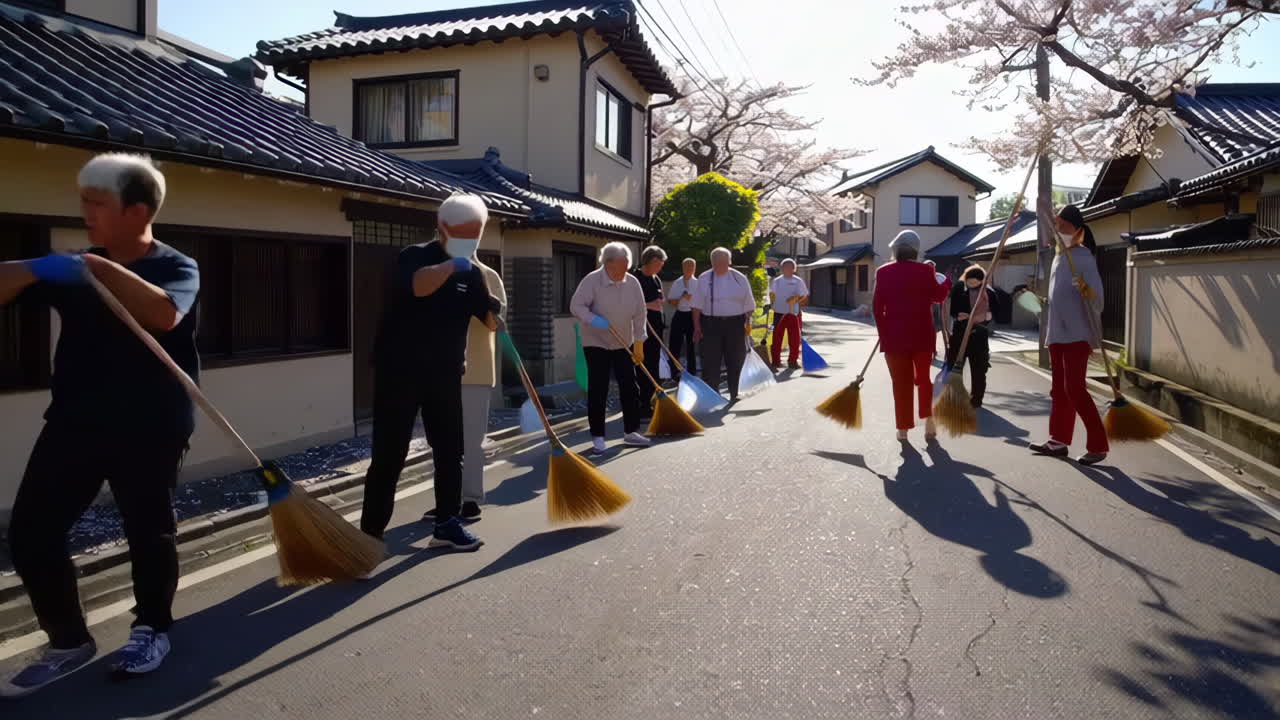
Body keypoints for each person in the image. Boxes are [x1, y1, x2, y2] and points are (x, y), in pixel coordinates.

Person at [0, 154, 199, 695]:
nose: (85, 212)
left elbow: (163, 315)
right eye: (83, 201)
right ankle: (68, 639)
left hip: (151, 423)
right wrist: (39, 267)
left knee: (148, 530)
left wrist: (98, 269)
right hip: (75, 421)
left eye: (97, 203)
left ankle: (152, 628)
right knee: (31, 533)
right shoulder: (74, 265)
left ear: (137, 212)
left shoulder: (177, 267)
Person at [361, 193, 500, 554]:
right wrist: (452, 267)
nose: (470, 242)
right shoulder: (415, 256)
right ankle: (369, 534)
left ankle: (447, 524)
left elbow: (487, 319)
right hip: (399, 371)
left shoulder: (473, 273)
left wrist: (492, 310)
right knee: (390, 453)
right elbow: (419, 286)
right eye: (464, 234)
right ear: (442, 229)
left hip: (446, 373)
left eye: (476, 234)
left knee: (450, 450)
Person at [422, 251, 506, 524]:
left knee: (470, 441)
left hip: (477, 370)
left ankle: (470, 499)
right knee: (442, 443)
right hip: (440, 370)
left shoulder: (488, 276)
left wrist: (487, 307)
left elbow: (496, 323)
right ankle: (447, 501)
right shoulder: (435, 273)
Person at [1030, 205, 1108, 465]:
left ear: (1077, 229)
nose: (1058, 230)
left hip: (1077, 333)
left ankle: (1098, 445)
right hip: (1057, 333)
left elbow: (1098, 299)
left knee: (1075, 389)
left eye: (1062, 226)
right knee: (1059, 390)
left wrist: (1088, 291)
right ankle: (1058, 440)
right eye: (1057, 226)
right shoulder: (1058, 256)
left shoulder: (1083, 256)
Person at [570, 241, 650, 454]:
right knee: (599, 388)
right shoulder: (592, 281)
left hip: (624, 341)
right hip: (596, 341)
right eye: (619, 267)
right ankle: (598, 436)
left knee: (630, 386)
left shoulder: (632, 283)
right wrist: (592, 319)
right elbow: (576, 306)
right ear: (608, 264)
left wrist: (640, 341)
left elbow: (640, 313)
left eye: (626, 266)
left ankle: (631, 431)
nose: (623, 271)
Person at [873, 230, 950, 441]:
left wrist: (883, 333)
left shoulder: (883, 271)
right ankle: (929, 419)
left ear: (895, 250)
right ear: (916, 251)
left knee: (900, 383)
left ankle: (903, 428)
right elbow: (938, 296)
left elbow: (877, 307)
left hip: (894, 337)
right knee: (923, 379)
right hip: (922, 336)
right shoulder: (926, 270)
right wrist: (947, 282)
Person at [692, 246, 756, 403]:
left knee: (735, 359)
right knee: (710, 360)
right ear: (712, 262)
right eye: (716, 261)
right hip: (710, 323)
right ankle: (712, 394)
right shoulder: (704, 278)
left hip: (735, 324)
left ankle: (735, 392)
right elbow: (696, 305)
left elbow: (749, 305)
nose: (720, 265)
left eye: (723, 261)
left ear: (730, 261)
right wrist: (697, 327)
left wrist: (748, 324)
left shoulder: (739, 278)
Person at [945, 265, 997, 408]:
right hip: (960, 335)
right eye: (970, 283)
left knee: (979, 369)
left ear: (982, 281)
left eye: (976, 283)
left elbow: (994, 312)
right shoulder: (959, 289)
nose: (972, 286)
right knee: (955, 368)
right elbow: (953, 310)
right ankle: (955, 397)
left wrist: (983, 317)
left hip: (979, 336)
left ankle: (976, 399)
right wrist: (960, 316)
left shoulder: (988, 293)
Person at [632, 245, 667, 416]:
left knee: (653, 367)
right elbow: (628, 305)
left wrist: (659, 303)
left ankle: (650, 402)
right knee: (641, 367)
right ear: (652, 261)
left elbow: (660, 299)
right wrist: (649, 306)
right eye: (659, 264)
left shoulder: (656, 278)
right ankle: (641, 405)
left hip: (656, 331)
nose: (661, 268)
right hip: (640, 332)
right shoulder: (634, 278)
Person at [768, 258, 809, 371]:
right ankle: (776, 361)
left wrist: (797, 299)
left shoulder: (798, 281)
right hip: (779, 313)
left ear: (794, 269)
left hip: (793, 313)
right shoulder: (777, 281)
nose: (787, 269)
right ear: (781, 269)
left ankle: (792, 361)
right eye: (785, 267)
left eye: (790, 267)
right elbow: (771, 295)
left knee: (795, 339)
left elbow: (804, 296)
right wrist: (771, 304)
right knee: (777, 338)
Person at [666, 257, 698, 381]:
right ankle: (674, 372)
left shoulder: (697, 283)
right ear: (683, 268)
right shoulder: (677, 283)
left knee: (691, 345)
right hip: (679, 314)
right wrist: (680, 298)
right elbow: (670, 301)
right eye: (687, 267)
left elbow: (701, 302)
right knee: (675, 344)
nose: (689, 269)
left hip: (692, 314)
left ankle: (692, 372)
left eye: (691, 267)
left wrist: (691, 298)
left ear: (694, 268)